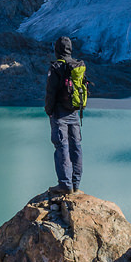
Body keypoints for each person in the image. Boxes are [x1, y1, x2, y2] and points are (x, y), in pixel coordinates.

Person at [44, 36, 83, 195]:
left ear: (57, 50)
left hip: (60, 113)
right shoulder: (77, 65)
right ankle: (75, 184)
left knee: (62, 147)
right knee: (76, 147)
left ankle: (65, 185)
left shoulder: (56, 67)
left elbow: (51, 92)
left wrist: (49, 110)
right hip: (74, 111)